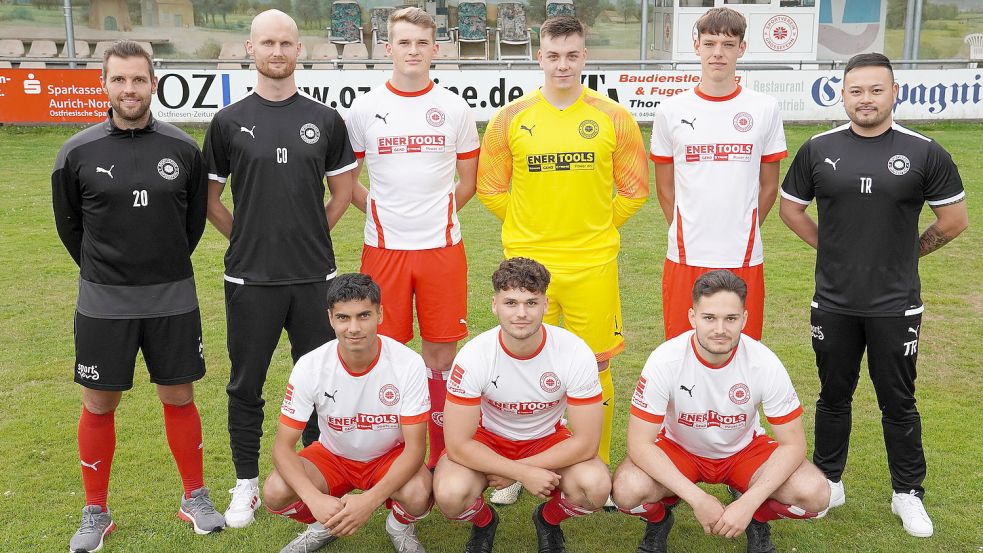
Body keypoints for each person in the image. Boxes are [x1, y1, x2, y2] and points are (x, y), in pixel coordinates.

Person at [779, 52, 968, 538]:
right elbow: (791, 210)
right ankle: (829, 481)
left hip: (895, 303)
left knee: (898, 401)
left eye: (876, 90)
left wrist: (909, 254)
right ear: (842, 95)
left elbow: (954, 221)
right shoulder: (818, 149)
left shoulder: (924, 151)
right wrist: (833, 249)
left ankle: (907, 493)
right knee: (833, 396)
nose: (866, 99)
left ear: (894, 93)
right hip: (835, 301)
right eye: (856, 90)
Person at [52, 40, 225, 552]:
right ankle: (96, 510)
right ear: (104, 84)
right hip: (104, 302)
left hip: (172, 298)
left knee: (179, 396)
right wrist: (107, 271)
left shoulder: (182, 149)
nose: (129, 89)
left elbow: (191, 223)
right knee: (99, 402)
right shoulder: (76, 152)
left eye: (138, 79)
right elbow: (70, 228)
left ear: (154, 83)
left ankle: (194, 496)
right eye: (119, 79)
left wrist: (161, 264)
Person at [477, 16, 649, 495]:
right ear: (539, 57)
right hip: (529, 267)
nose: (563, 65)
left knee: (595, 366)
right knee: (522, 364)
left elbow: (634, 190)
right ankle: (519, 467)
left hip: (592, 265)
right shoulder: (510, 118)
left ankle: (599, 464)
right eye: (553, 55)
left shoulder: (614, 117)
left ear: (584, 57)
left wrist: (592, 226)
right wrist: (529, 225)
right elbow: (490, 186)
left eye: (572, 55)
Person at [203, 9, 356, 528]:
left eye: (285, 43)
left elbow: (340, 194)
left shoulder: (324, 119)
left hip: (314, 277)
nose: (276, 52)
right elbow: (211, 199)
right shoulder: (227, 122)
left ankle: (319, 474)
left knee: (319, 383)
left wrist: (311, 235)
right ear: (250, 49)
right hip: (249, 278)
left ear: (299, 50)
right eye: (266, 43)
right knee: (246, 383)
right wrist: (245, 238)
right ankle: (246, 482)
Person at [345, 7, 480, 470]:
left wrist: (435, 216)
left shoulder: (455, 107)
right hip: (384, 251)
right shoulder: (364, 109)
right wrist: (382, 213)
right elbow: (346, 182)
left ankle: (441, 452)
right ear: (389, 49)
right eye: (404, 42)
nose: (413, 51)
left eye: (422, 43)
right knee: (389, 350)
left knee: (441, 352)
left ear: (435, 49)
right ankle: (397, 448)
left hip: (441, 249)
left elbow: (469, 181)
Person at [612, 270, 829, 553]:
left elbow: (794, 444)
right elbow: (639, 444)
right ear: (692, 317)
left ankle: (756, 519)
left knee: (815, 493)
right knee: (627, 490)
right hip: (680, 449)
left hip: (743, 452)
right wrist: (698, 499)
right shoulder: (665, 360)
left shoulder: (764, 363)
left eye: (730, 319)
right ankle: (660, 519)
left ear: (744, 319)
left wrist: (749, 503)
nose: (720, 329)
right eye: (709, 318)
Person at [433, 257, 610, 553]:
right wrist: (522, 473)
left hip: (546, 440)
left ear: (545, 304)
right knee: (451, 496)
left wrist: (518, 470)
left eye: (531, 302)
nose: (521, 313)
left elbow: (586, 443)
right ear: (494, 304)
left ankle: (548, 519)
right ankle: (485, 522)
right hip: (487, 441)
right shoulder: (475, 355)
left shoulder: (574, 352)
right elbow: (458, 444)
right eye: (511, 303)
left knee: (595, 487)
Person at [264, 273, 432, 553]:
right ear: (331, 318)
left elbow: (416, 449)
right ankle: (322, 524)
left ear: (380, 314)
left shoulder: (408, 363)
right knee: (275, 491)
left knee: (417, 494)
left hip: (387, 457)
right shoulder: (311, 366)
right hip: (332, 457)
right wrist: (313, 498)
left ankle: (399, 526)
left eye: (364, 315)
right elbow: (282, 448)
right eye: (343, 318)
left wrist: (369, 501)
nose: (354, 327)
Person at [650, 7, 787, 342]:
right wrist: (687, 227)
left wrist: (745, 226)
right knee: (682, 349)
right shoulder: (671, 110)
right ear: (696, 46)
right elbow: (665, 187)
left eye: (727, 44)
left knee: (740, 348)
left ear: (741, 48)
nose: (717, 53)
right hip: (686, 254)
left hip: (742, 254)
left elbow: (769, 186)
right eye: (710, 43)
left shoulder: (764, 108)